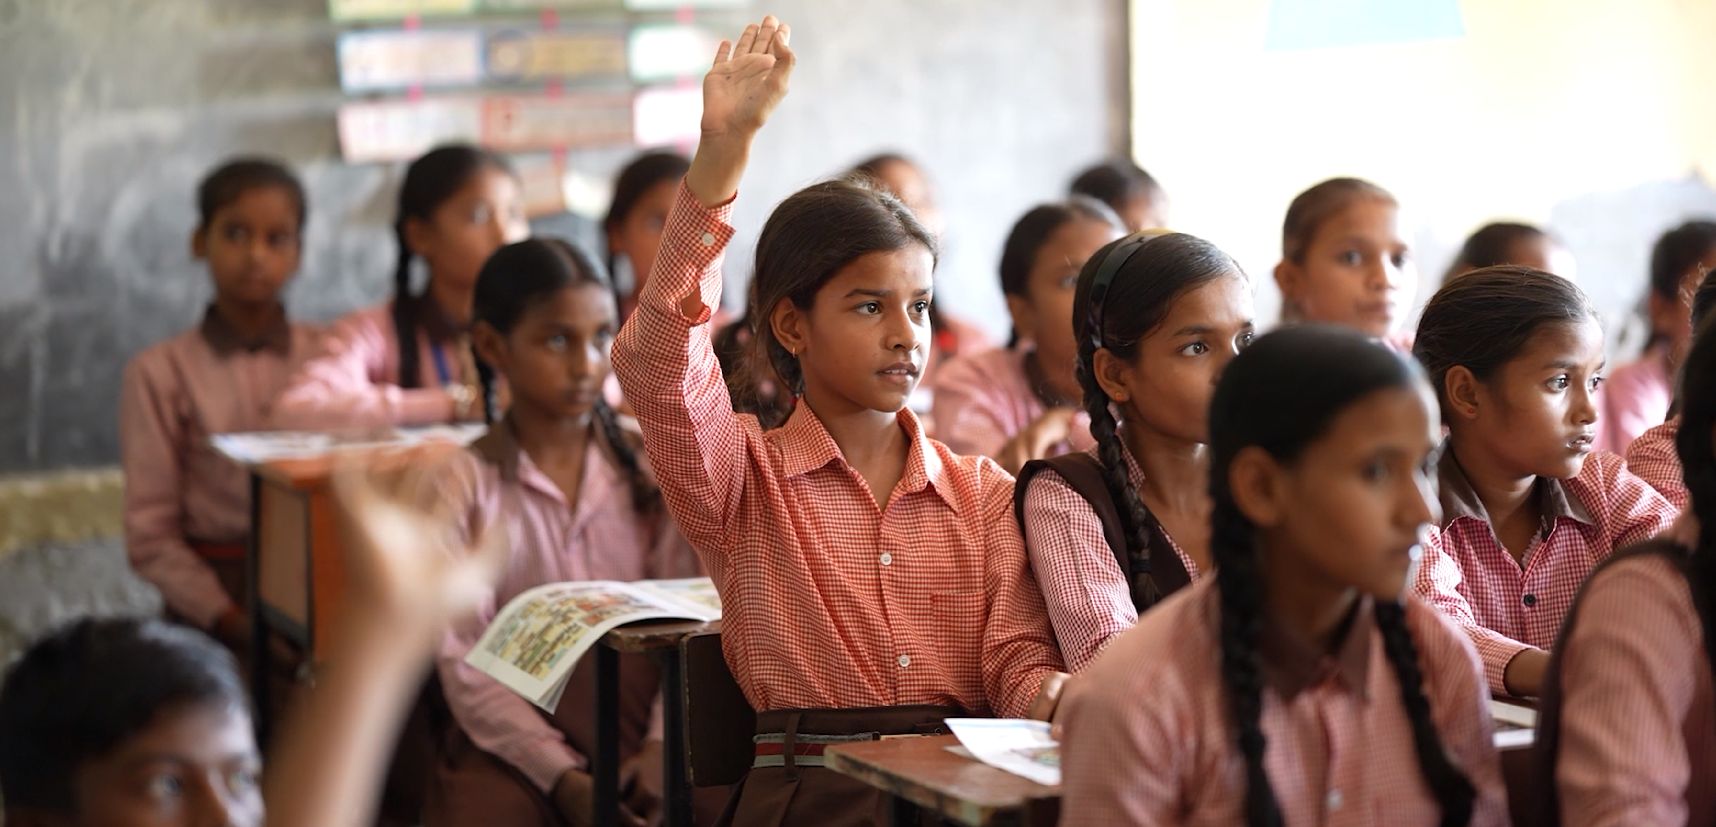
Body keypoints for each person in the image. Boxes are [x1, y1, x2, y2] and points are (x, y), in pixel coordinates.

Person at [611, 17, 1064, 823]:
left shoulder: (983, 492)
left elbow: (1015, 665)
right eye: (868, 305)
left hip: (963, 793)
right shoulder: (740, 477)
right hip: (812, 798)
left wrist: (1066, 694)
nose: (906, 333)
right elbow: (656, 359)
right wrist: (723, 156)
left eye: (919, 305)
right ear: (791, 326)